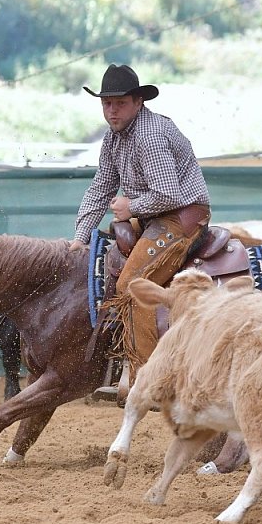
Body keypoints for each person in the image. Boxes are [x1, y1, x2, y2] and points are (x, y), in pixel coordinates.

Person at [69, 64, 211, 382]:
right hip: (154, 216)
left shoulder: (150, 135)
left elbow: (169, 194)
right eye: (107, 103)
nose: (112, 110)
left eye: (120, 103)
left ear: (138, 102)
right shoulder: (114, 138)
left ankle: (146, 378)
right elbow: (101, 187)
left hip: (181, 216)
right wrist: (80, 236)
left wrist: (130, 206)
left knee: (132, 285)